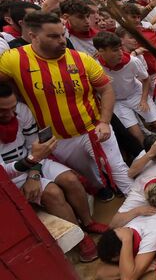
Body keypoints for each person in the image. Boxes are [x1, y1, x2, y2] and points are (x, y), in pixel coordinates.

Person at [0, 11, 133, 199]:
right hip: (57, 138)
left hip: (92, 128)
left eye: (63, 34)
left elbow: (106, 90)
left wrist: (104, 121)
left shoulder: (81, 59)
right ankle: (102, 188)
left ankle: (136, 200)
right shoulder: (14, 59)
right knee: (88, 172)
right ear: (33, 36)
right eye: (54, 36)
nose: (62, 40)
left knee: (116, 167)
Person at [0, 82, 106, 262]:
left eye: (12, 108)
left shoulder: (21, 111)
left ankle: (88, 223)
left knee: (71, 180)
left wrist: (34, 172)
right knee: (53, 193)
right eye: (3, 110)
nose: (11, 114)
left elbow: (33, 146)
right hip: (11, 175)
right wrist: (31, 161)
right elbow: (3, 172)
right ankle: (80, 239)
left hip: (31, 160)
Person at [93, 31, 156, 144]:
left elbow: (146, 79)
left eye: (120, 48)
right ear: (101, 51)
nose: (120, 53)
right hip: (117, 102)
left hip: (136, 94)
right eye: (114, 50)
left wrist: (143, 99)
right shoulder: (95, 66)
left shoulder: (133, 61)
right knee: (136, 135)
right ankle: (152, 155)